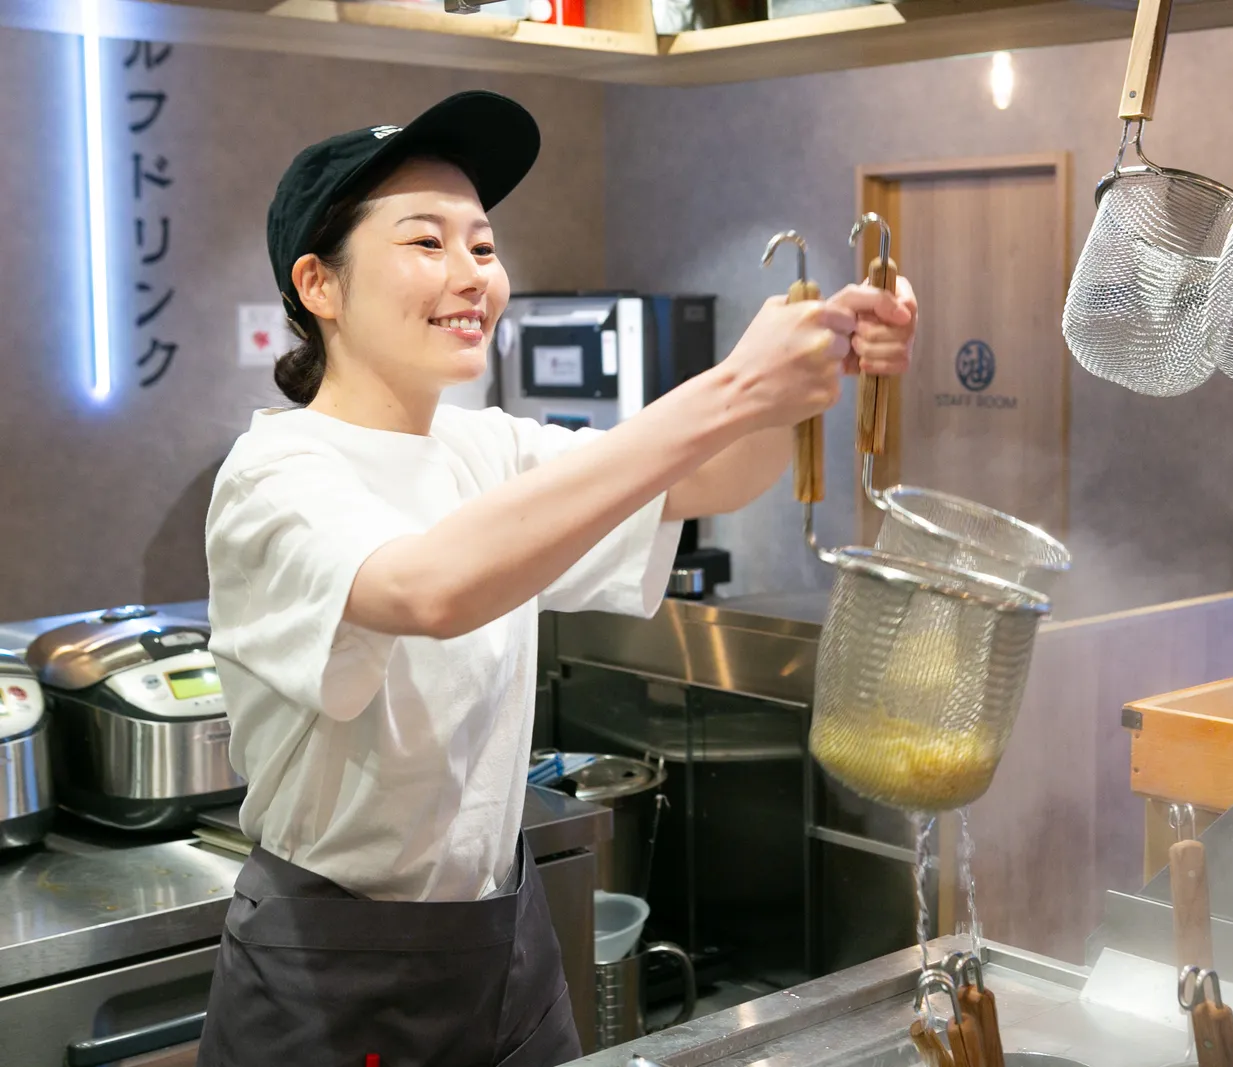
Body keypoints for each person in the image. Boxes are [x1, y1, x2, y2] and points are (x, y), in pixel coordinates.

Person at [197, 90, 917, 1067]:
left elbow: (701, 480)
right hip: (334, 961)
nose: (473, 275)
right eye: (427, 242)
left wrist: (808, 374)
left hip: (504, 933)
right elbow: (430, 589)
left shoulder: (486, 446)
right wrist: (734, 386)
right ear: (319, 284)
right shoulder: (276, 474)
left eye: (483, 245)